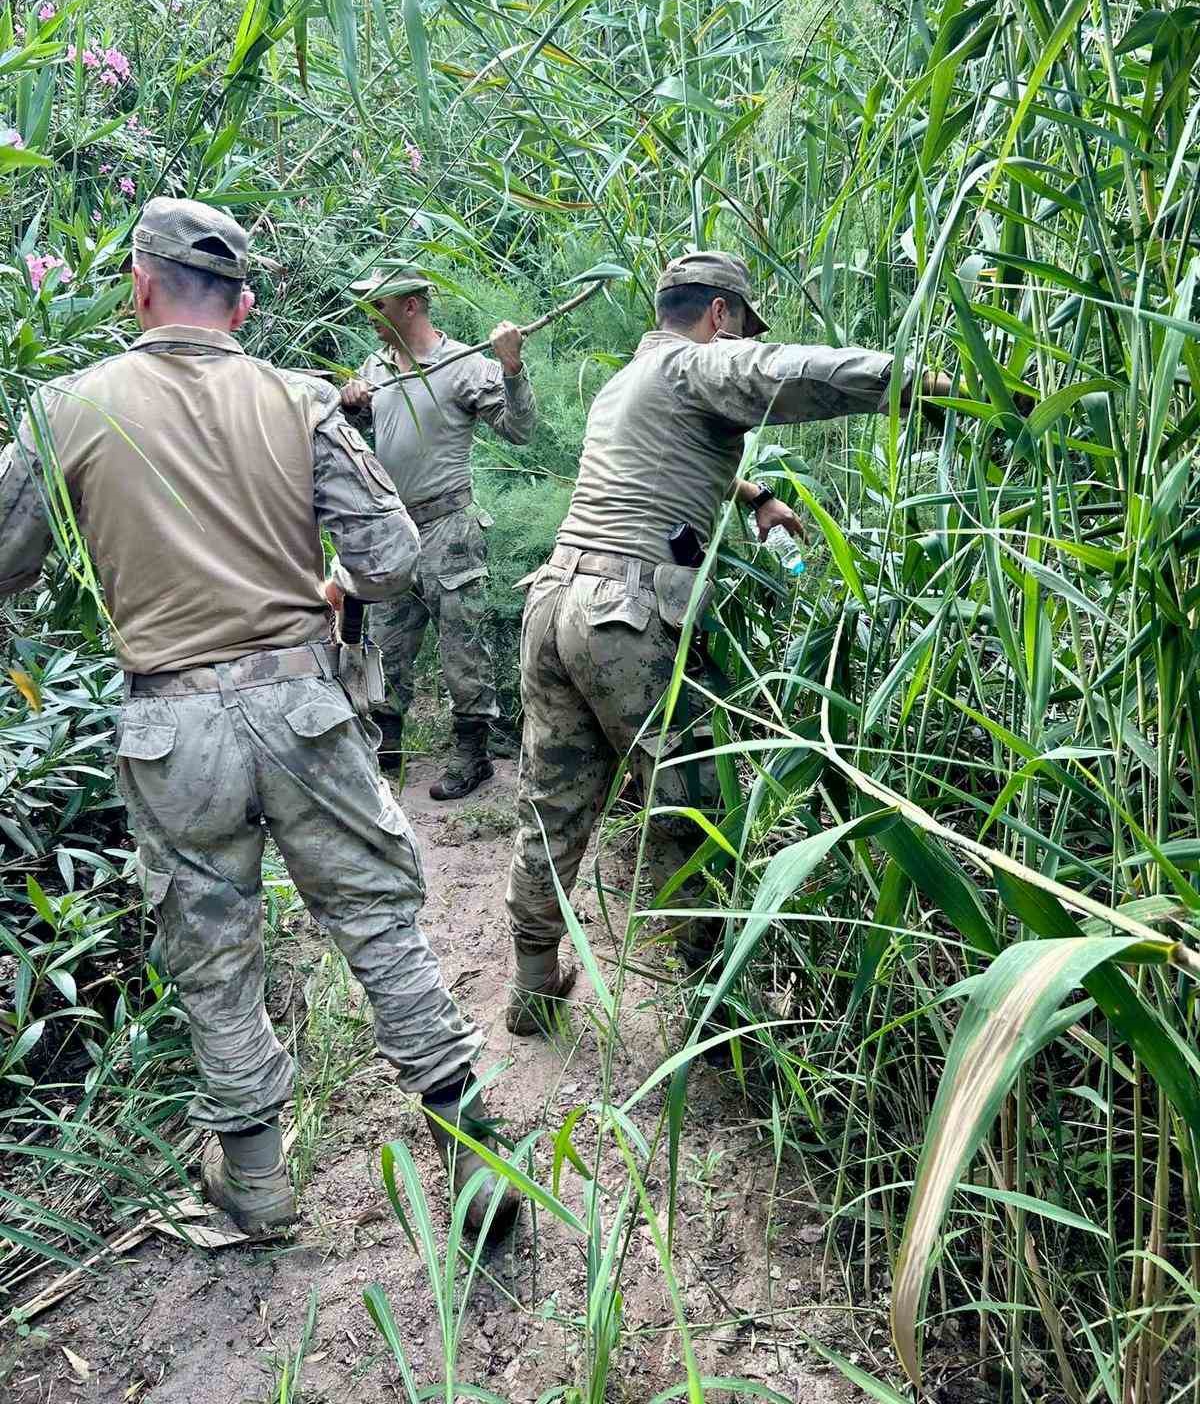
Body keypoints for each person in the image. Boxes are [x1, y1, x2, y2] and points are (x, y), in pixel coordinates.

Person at [0, 200, 516, 1243]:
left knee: (212, 949)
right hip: (303, 702)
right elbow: (389, 558)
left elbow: (6, 562)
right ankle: (473, 1160)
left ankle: (258, 1187)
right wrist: (318, 582)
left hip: (171, 723)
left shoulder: (67, 407)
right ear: (242, 301)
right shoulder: (298, 400)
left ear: (139, 285)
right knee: (377, 918)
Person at [503, 250, 951, 1035]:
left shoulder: (626, 384)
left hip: (554, 602)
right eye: (739, 325)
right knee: (688, 811)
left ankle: (533, 985)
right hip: (624, 616)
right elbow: (790, 372)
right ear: (720, 315)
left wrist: (757, 495)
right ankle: (718, 1014)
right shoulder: (692, 366)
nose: (740, 337)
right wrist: (922, 382)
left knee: (551, 805)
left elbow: (661, 459)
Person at [339, 270, 536, 799]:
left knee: (462, 648)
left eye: (376, 305)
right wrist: (354, 409)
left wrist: (512, 367)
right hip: (393, 529)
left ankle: (474, 755)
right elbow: (365, 443)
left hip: (449, 527)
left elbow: (520, 432)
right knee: (385, 642)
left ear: (408, 307)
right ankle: (387, 750)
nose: (369, 316)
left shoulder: (463, 366)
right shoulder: (375, 368)